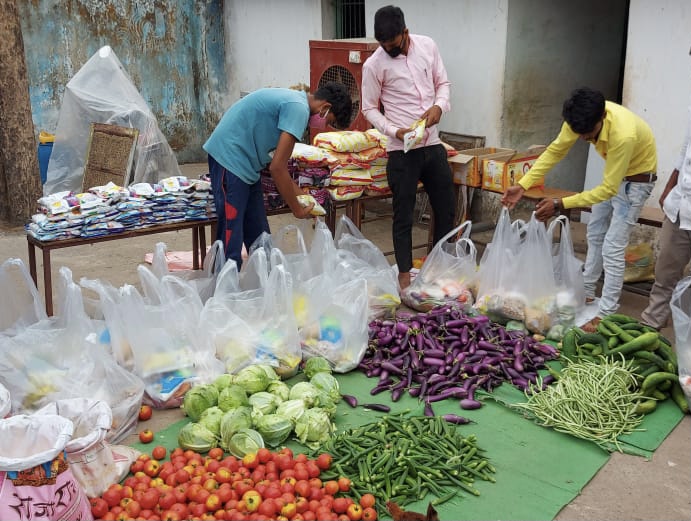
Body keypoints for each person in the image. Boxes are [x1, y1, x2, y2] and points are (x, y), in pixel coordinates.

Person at [502, 87, 657, 332]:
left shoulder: (622, 134)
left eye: (589, 133)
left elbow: (607, 189)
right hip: (615, 175)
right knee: (595, 234)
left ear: (602, 118)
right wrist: (523, 185)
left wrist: (560, 203)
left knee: (613, 247)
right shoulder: (579, 119)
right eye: (579, 133)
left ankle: (606, 312)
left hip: (636, 183)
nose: (583, 138)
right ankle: (586, 292)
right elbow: (555, 151)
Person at [203, 83, 352, 267]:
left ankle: (266, 287)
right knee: (231, 238)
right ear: (325, 107)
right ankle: (224, 291)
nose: (325, 125)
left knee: (260, 237)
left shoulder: (296, 102)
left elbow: (279, 166)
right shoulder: (299, 109)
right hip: (230, 159)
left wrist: (304, 199)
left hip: (248, 166)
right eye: (329, 121)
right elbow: (278, 168)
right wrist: (297, 209)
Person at [361, 5, 456, 291]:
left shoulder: (427, 46)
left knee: (447, 209)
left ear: (405, 32)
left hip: (432, 143)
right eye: (383, 46)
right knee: (403, 214)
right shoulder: (373, 65)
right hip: (401, 150)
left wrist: (439, 106)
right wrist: (394, 130)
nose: (389, 50)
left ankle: (437, 267)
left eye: (394, 45)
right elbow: (369, 108)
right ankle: (404, 275)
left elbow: (443, 83)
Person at [640, 102, 691, 330]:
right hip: (680, 209)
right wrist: (669, 187)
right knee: (665, 275)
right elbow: (684, 155)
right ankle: (651, 328)